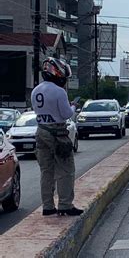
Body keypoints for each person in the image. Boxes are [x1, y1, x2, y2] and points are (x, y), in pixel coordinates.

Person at [31, 57, 83, 217]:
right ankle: (65, 205)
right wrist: (73, 106)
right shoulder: (59, 92)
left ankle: (47, 206)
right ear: (58, 74)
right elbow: (66, 114)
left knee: (46, 171)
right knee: (65, 169)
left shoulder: (36, 90)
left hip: (41, 131)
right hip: (57, 132)